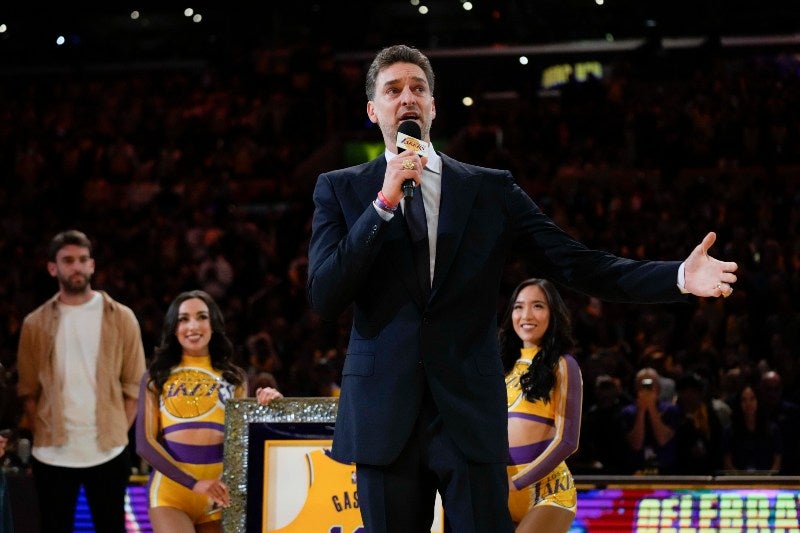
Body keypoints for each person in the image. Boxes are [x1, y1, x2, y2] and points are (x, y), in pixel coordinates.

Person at [306, 43, 738, 533]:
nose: (407, 97)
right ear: (372, 109)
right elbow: (325, 295)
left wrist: (678, 276)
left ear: (432, 106)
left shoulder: (489, 190)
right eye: (393, 90)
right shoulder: (340, 189)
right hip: (384, 415)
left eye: (418, 89)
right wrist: (383, 202)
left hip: (467, 413)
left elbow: (577, 264)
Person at [16, 229, 147, 533]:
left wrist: (114, 431)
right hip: (52, 453)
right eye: (68, 260)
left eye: (83, 259)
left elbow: (134, 388)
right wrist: (45, 428)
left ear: (92, 265)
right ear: (53, 268)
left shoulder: (122, 318)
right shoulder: (34, 324)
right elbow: (28, 392)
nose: (76, 266)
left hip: (108, 451)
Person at [135, 289, 282, 533]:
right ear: (173, 327)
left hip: (218, 496)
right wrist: (195, 484)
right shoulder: (155, 377)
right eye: (183, 319)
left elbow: (241, 442)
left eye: (202, 317)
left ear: (213, 324)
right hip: (171, 497)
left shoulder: (235, 379)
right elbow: (144, 443)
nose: (193, 326)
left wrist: (269, 408)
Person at [498, 278, 582, 533]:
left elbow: (567, 441)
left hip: (548, 492)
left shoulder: (563, 365)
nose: (526, 315)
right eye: (518, 306)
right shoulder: (498, 366)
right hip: (501, 490)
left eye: (537, 306)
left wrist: (519, 481)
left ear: (552, 313)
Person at [620, 367, 681, 474]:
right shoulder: (628, 412)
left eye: (650, 386)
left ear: (658, 388)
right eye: (643, 386)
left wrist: (652, 408)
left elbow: (662, 439)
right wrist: (641, 411)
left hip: (666, 471)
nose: (646, 389)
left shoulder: (670, 410)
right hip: (636, 471)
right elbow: (636, 444)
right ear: (636, 389)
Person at [721, 381, 782, 473]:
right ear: (739, 403)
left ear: (758, 401)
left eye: (752, 399)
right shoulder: (729, 431)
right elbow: (727, 463)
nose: (748, 403)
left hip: (767, 483)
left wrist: (767, 481)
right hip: (738, 483)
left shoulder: (772, 430)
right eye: (744, 400)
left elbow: (777, 462)